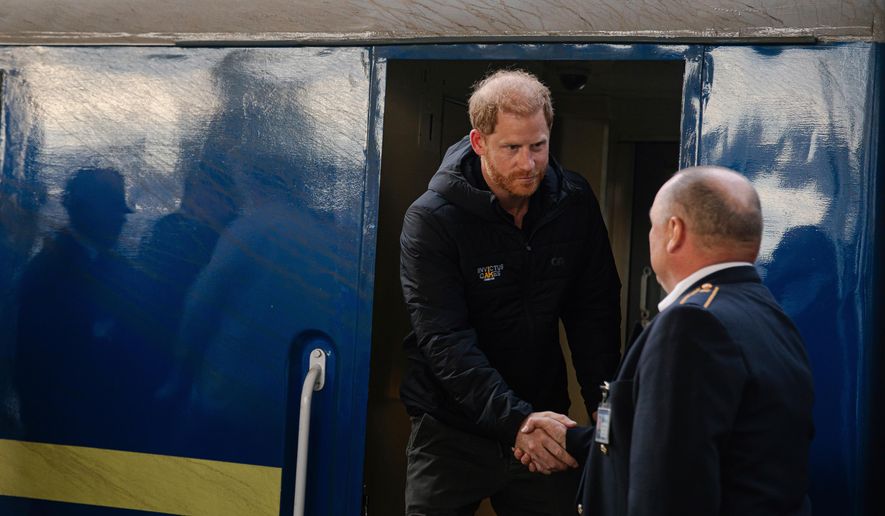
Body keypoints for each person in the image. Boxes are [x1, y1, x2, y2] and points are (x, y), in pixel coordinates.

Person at [519, 165, 815, 515]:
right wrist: (569, 438)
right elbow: (702, 439)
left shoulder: (690, 325)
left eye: (653, 225)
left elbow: (668, 490)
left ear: (674, 231)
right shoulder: (768, 315)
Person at [399, 69, 621, 515]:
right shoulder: (431, 220)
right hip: (451, 427)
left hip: (543, 418)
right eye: (512, 148)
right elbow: (445, 341)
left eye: (538, 146)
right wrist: (516, 422)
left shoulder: (573, 202)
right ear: (479, 142)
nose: (528, 163)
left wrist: (605, 407)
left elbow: (593, 314)